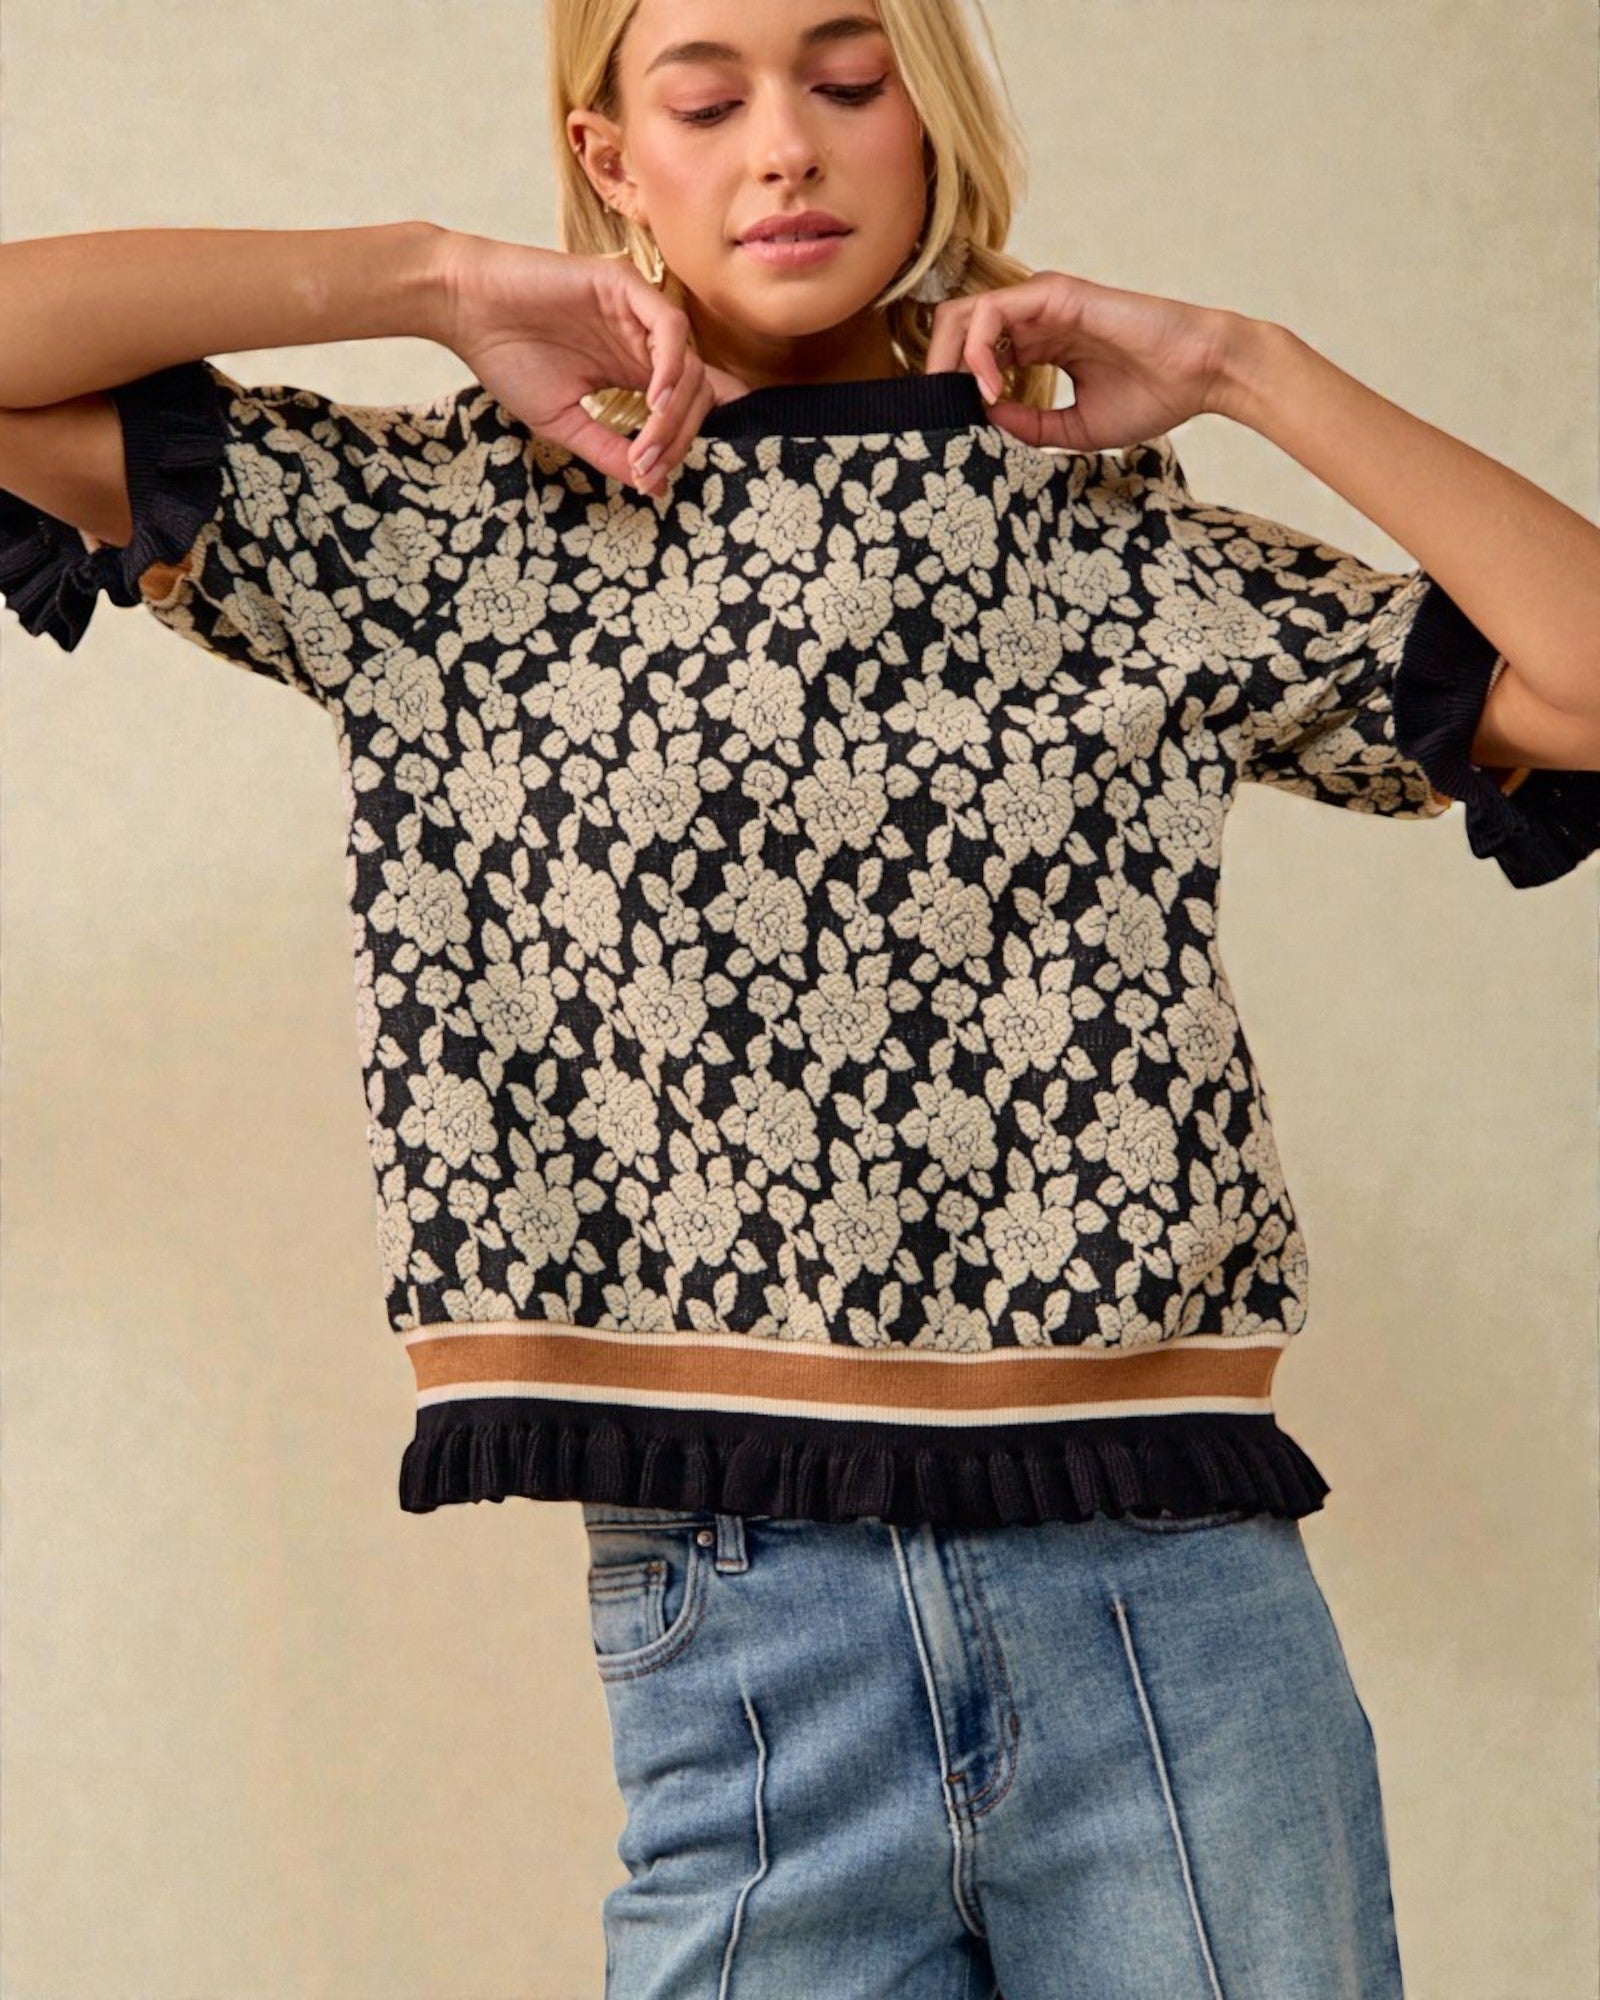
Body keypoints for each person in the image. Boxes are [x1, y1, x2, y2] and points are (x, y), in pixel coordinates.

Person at [3, 1, 1597, 1994]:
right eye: (705, 95)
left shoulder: (1106, 538)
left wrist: (1238, 366)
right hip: (736, 1620)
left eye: (850, 86)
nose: (784, 148)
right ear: (611, 158)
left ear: (929, 127)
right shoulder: (443, 527)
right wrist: (425, 278)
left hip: (1164, 1608)